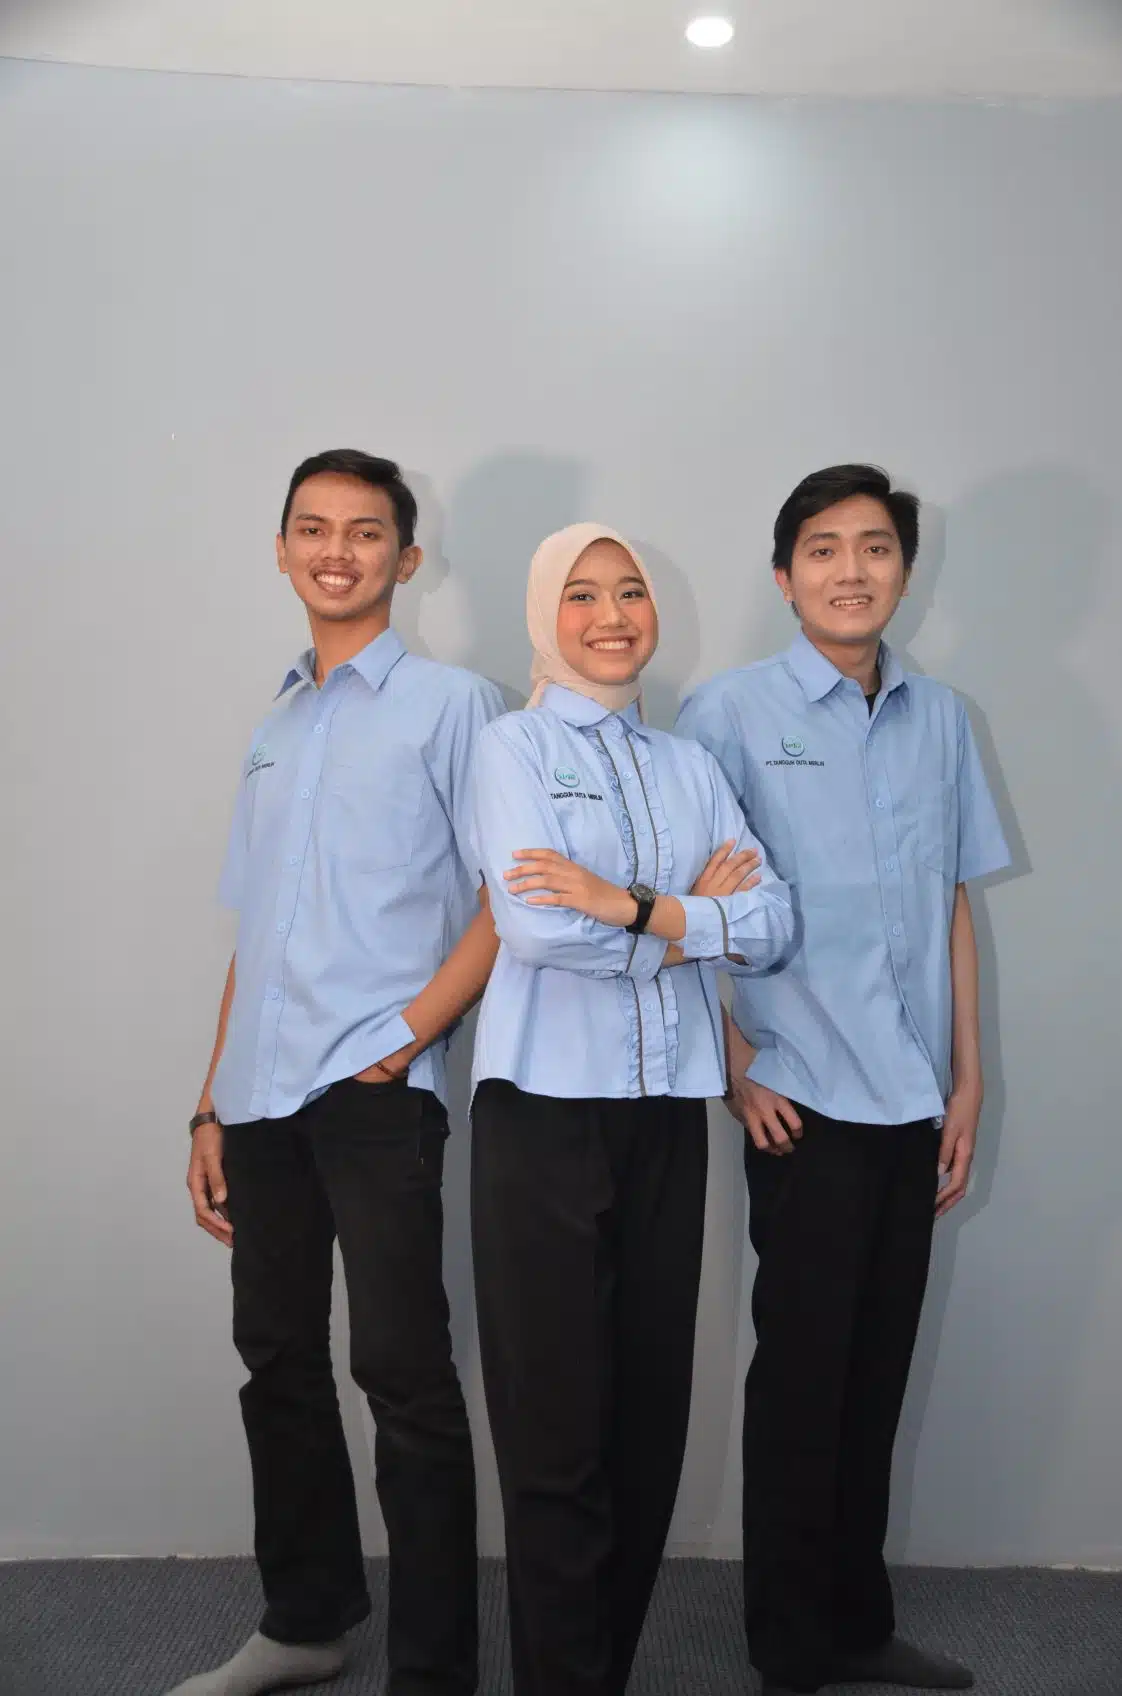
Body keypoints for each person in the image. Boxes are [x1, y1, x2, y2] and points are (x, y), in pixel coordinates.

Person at [174, 450, 505, 1696]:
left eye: (365, 531)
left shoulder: (455, 706)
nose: (337, 550)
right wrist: (209, 1100)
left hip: (374, 1094)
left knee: (403, 1373)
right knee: (277, 1357)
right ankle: (304, 1619)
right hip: (259, 1096)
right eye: (312, 528)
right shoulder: (274, 727)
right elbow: (255, 929)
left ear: (405, 559)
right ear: (282, 550)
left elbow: (510, 896)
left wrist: (408, 1033)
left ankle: (434, 1667)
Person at [676, 465, 1011, 1696]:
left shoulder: (943, 719)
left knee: (875, 1377)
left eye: (874, 547)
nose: (850, 570)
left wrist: (969, 1080)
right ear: (785, 575)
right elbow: (679, 909)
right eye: (822, 548)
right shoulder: (726, 713)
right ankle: (789, 1648)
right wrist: (730, 1066)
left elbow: (951, 902)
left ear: (904, 571)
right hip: (803, 1098)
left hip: (913, 1099)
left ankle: (859, 1625)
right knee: (802, 1383)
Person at [468, 522, 794, 1696]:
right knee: (555, 1430)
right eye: (582, 594)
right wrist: (685, 920)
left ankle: (596, 1673)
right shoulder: (509, 748)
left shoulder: (688, 765)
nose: (610, 616)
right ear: (543, 613)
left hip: (667, 1116)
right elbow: (533, 927)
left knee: (648, 1419)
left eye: (629, 592)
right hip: (542, 1114)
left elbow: (771, 921)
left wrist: (628, 904)